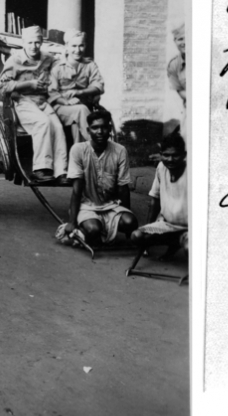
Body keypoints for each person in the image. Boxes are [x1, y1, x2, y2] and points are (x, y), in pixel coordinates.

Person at [0, 25, 68, 184]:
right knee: (43, 123)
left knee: (57, 127)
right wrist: (29, 84)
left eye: (37, 42)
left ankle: (61, 171)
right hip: (23, 101)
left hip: (42, 101)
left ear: (41, 42)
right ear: (24, 42)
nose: (33, 46)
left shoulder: (47, 58)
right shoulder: (15, 60)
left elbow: (60, 67)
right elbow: (2, 87)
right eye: (30, 43)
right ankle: (40, 169)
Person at [64, 109, 138, 246]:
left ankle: (94, 232)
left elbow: (123, 187)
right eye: (95, 128)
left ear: (109, 129)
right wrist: (72, 221)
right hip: (86, 206)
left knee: (130, 222)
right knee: (93, 229)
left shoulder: (120, 150)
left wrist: (128, 217)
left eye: (104, 127)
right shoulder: (78, 150)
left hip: (111, 206)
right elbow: (76, 190)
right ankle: (84, 229)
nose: (100, 131)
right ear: (88, 130)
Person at [128, 132, 188, 269]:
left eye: (175, 155)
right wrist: (148, 228)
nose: (170, 159)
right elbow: (154, 200)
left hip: (189, 228)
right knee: (137, 235)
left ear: (184, 155)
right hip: (167, 225)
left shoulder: (191, 172)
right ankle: (174, 244)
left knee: (191, 248)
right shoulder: (161, 167)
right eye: (166, 155)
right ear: (161, 155)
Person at [49, 29, 105, 143]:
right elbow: (52, 93)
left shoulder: (90, 65)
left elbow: (98, 85)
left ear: (85, 46)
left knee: (78, 120)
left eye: (81, 46)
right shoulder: (57, 67)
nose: (77, 50)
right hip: (61, 108)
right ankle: (97, 145)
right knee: (80, 111)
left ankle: (80, 155)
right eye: (74, 46)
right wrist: (66, 102)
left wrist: (80, 92)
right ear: (67, 47)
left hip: (83, 107)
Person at [167, 22, 187, 139]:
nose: (183, 42)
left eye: (186, 38)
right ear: (175, 41)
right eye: (180, 39)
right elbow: (180, 91)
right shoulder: (174, 64)